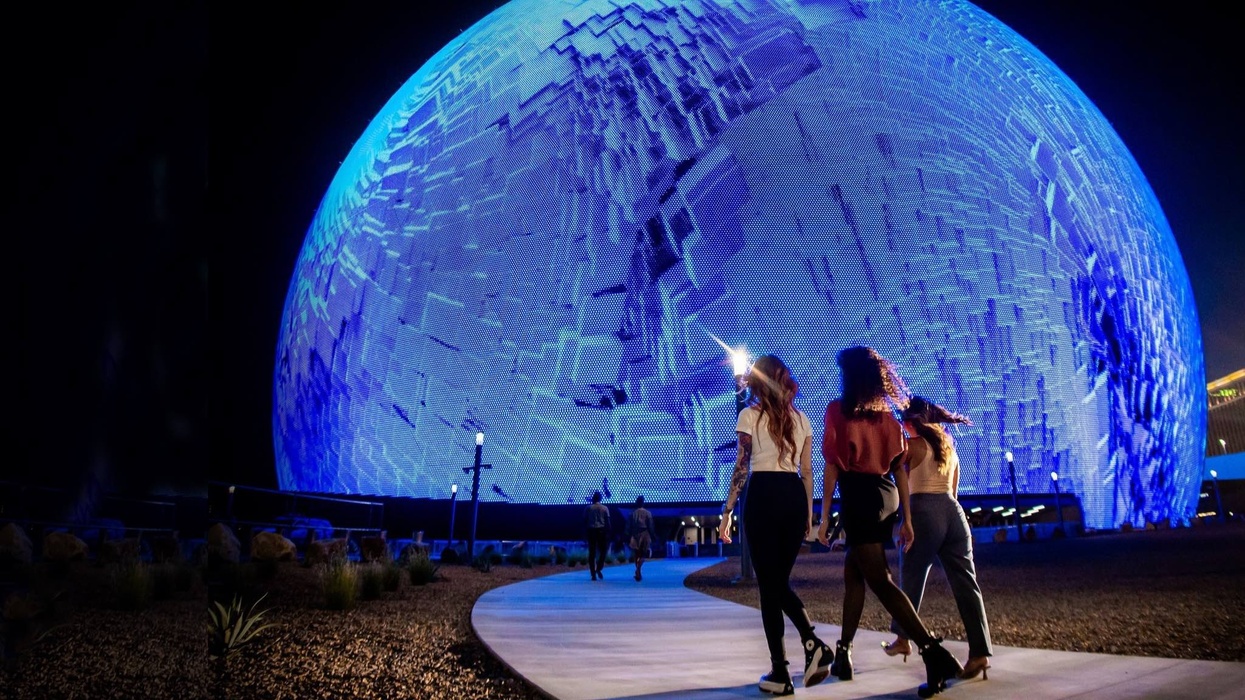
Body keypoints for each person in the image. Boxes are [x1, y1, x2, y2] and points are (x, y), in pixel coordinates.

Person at [816, 346, 962, 698]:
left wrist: (823, 518)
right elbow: (899, 469)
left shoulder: (838, 411)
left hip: (860, 497)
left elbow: (833, 467)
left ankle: (932, 651)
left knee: (879, 580)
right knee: (854, 573)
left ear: (849, 376)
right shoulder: (888, 419)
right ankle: (844, 654)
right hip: (886, 496)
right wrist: (906, 519)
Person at [718, 354, 834, 695]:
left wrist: (727, 511)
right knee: (775, 583)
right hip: (794, 496)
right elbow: (808, 471)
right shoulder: (803, 421)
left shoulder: (749, 415)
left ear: (757, 381)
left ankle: (794, 659)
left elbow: (742, 467)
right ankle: (790, 662)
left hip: (764, 495)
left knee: (770, 585)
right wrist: (809, 515)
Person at [882, 396, 992, 681]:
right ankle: (980, 653)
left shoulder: (911, 446)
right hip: (953, 514)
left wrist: (906, 521)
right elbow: (953, 492)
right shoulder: (950, 448)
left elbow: (901, 485)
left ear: (911, 421)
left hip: (923, 510)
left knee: (912, 576)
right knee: (967, 584)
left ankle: (903, 638)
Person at [627, 495, 657, 581]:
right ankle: (638, 570)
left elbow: (629, 526)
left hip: (635, 533)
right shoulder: (648, 513)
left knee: (637, 554)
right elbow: (650, 526)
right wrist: (653, 535)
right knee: (643, 554)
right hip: (645, 534)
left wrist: (627, 535)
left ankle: (638, 570)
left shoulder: (632, 513)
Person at [584, 490, 610, 580]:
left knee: (592, 552)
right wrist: (609, 532)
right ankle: (598, 568)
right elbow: (608, 522)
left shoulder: (588, 508)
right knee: (603, 550)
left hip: (591, 531)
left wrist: (584, 532)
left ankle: (593, 574)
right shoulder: (605, 508)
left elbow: (585, 521)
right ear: (600, 498)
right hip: (602, 531)